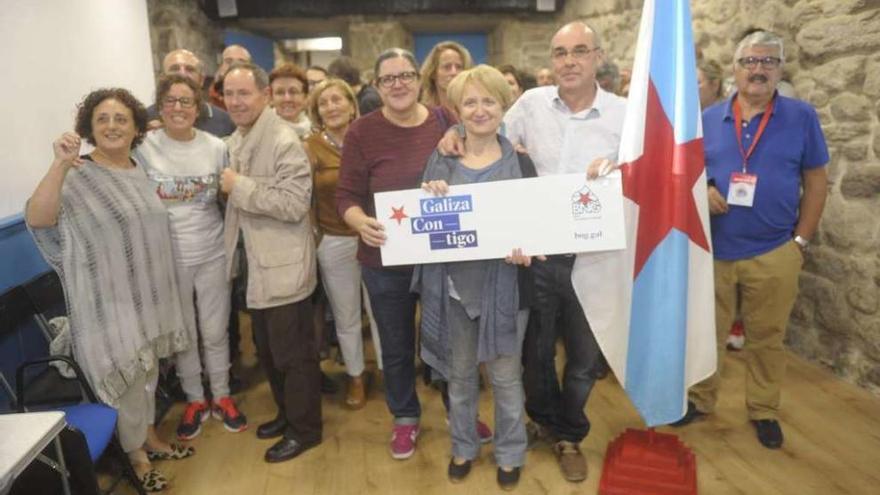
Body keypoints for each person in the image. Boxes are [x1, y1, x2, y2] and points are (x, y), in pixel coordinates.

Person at [438, 21, 626, 483]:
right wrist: (449, 137)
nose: (569, 61)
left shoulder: (625, 115)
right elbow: (484, 130)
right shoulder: (530, 104)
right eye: (560, 52)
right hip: (535, 257)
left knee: (584, 359)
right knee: (535, 354)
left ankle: (570, 434)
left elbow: (647, 172)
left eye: (580, 51)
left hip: (596, 258)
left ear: (597, 57)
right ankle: (543, 422)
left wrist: (621, 167)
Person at [26, 88, 192, 492]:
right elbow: (38, 218)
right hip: (106, 303)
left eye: (121, 118)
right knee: (126, 378)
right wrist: (58, 166)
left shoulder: (138, 169)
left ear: (136, 127)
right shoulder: (78, 173)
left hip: (145, 297)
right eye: (102, 119)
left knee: (148, 372)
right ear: (89, 128)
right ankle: (134, 458)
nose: (112, 126)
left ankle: (149, 436)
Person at [672, 31, 829, 450]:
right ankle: (701, 400)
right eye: (749, 62)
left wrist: (801, 242)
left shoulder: (802, 117)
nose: (758, 70)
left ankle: (763, 409)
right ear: (735, 70)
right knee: (706, 333)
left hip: (775, 249)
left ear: (779, 70)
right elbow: (687, 172)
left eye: (768, 62)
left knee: (767, 337)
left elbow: (816, 181)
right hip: (714, 250)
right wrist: (703, 188)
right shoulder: (708, 119)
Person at [337, 48, 470, 460]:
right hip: (384, 261)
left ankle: (457, 413)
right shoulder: (361, 132)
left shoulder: (445, 120)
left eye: (405, 75)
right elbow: (346, 196)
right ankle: (405, 418)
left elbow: (474, 167)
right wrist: (360, 222)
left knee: (449, 341)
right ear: (377, 86)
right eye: (388, 78)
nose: (398, 84)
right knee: (395, 345)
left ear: (419, 78)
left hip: (440, 256)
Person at [413, 65, 536, 491]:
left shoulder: (521, 160)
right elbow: (421, 220)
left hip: (505, 288)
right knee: (460, 377)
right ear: (456, 109)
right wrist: (429, 197)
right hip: (453, 290)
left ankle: (510, 453)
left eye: (489, 101)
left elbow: (536, 224)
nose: (480, 110)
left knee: (506, 379)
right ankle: (463, 446)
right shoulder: (442, 155)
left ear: (504, 105)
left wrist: (526, 248)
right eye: (470, 102)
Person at [134, 74, 247, 441]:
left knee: (215, 331)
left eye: (185, 101)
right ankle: (195, 400)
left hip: (212, 249)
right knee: (183, 334)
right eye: (170, 101)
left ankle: (222, 396)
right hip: (168, 257)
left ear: (198, 108)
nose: (178, 108)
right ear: (159, 106)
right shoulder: (144, 147)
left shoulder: (216, 146)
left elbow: (229, 197)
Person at [221, 62, 321, 463]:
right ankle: (287, 415)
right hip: (254, 267)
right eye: (229, 94)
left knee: (294, 356)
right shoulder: (235, 140)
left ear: (264, 96)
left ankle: (306, 429)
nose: (236, 101)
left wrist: (240, 187)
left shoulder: (282, 139)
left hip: (283, 267)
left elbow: (295, 204)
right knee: (268, 352)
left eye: (244, 93)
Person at [303, 78, 383, 410]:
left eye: (338, 100)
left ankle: (389, 371)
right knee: (346, 315)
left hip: (376, 236)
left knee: (382, 312)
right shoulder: (308, 147)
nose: (332, 106)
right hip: (334, 240)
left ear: (352, 105)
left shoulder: (370, 137)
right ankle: (354, 376)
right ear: (317, 111)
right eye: (324, 103)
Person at [146, 49, 235, 137]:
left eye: (190, 69)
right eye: (174, 69)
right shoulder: (146, 119)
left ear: (201, 80)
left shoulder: (225, 121)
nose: (182, 74)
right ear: (162, 78)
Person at [419, 41, 473, 109]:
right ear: (433, 73)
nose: (454, 72)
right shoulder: (423, 113)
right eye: (447, 67)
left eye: (459, 67)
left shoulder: (474, 111)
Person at [269, 63, 312, 139]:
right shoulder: (260, 135)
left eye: (293, 92)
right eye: (280, 92)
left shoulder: (315, 136)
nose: (287, 99)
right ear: (271, 98)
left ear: (305, 98)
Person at [209, 44, 252, 109]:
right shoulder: (203, 98)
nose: (234, 65)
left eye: (241, 62)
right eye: (229, 61)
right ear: (221, 66)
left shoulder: (259, 102)